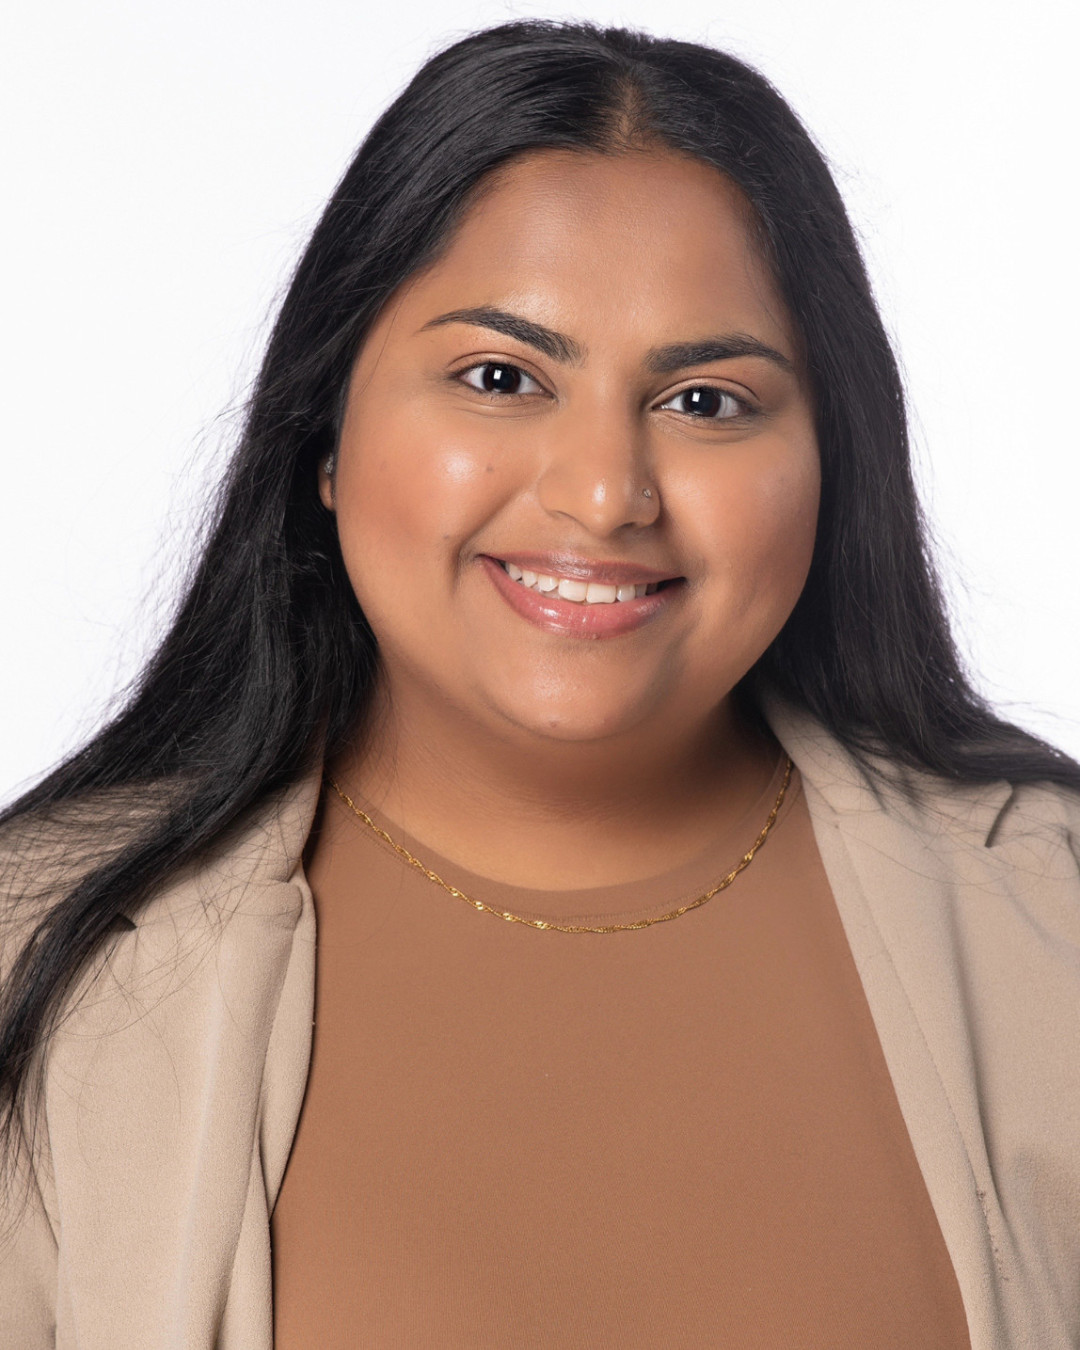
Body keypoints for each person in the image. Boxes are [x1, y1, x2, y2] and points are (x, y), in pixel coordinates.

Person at [2, 17, 1078, 1349]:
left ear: (832, 459)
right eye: (501, 377)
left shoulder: (1054, 915)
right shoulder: (34, 957)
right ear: (322, 435)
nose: (605, 494)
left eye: (706, 402)